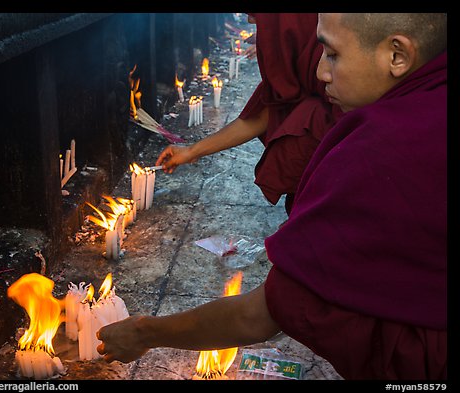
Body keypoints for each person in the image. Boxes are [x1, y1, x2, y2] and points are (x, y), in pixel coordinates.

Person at [97, 13, 447, 380]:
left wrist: (143, 332)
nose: (321, 73)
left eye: (332, 54)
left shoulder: (381, 151)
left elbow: (263, 313)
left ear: (397, 55)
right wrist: (194, 150)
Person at [156, 13, 341, 215]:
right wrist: (192, 151)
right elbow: (262, 114)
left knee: (309, 116)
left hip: (341, 189)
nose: (249, 21)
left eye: (257, 17)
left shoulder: (335, 68)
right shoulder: (303, 46)